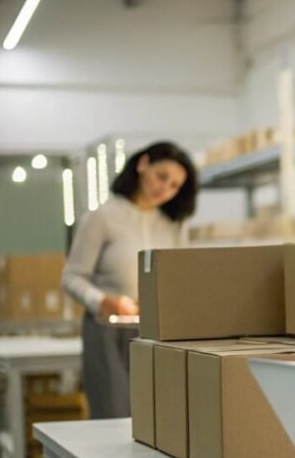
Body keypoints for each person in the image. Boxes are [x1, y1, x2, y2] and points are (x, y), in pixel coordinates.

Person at [63, 141, 198, 418]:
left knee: (161, 416)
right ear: (142, 164)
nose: (165, 189)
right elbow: (72, 277)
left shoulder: (173, 225)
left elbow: (179, 278)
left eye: (174, 186)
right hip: (107, 333)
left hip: (157, 333)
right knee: (114, 414)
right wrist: (101, 300)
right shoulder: (101, 218)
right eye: (162, 177)